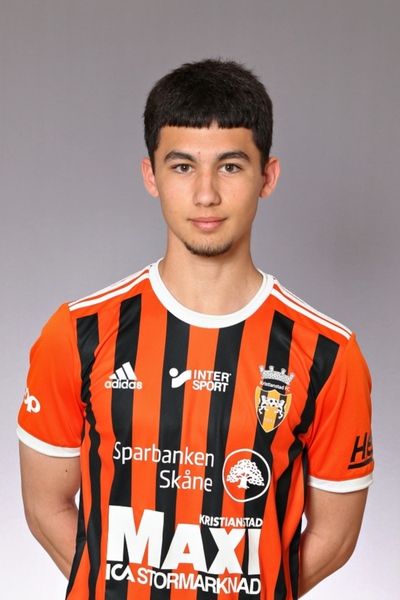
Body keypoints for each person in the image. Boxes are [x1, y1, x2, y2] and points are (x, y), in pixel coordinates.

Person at [17, 58, 374, 600]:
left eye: (230, 166)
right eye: (182, 166)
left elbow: (336, 537)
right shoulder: (78, 333)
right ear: (151, 176)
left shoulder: (329, 354)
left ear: (267, 177)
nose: (206, 194)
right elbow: (45, 507)